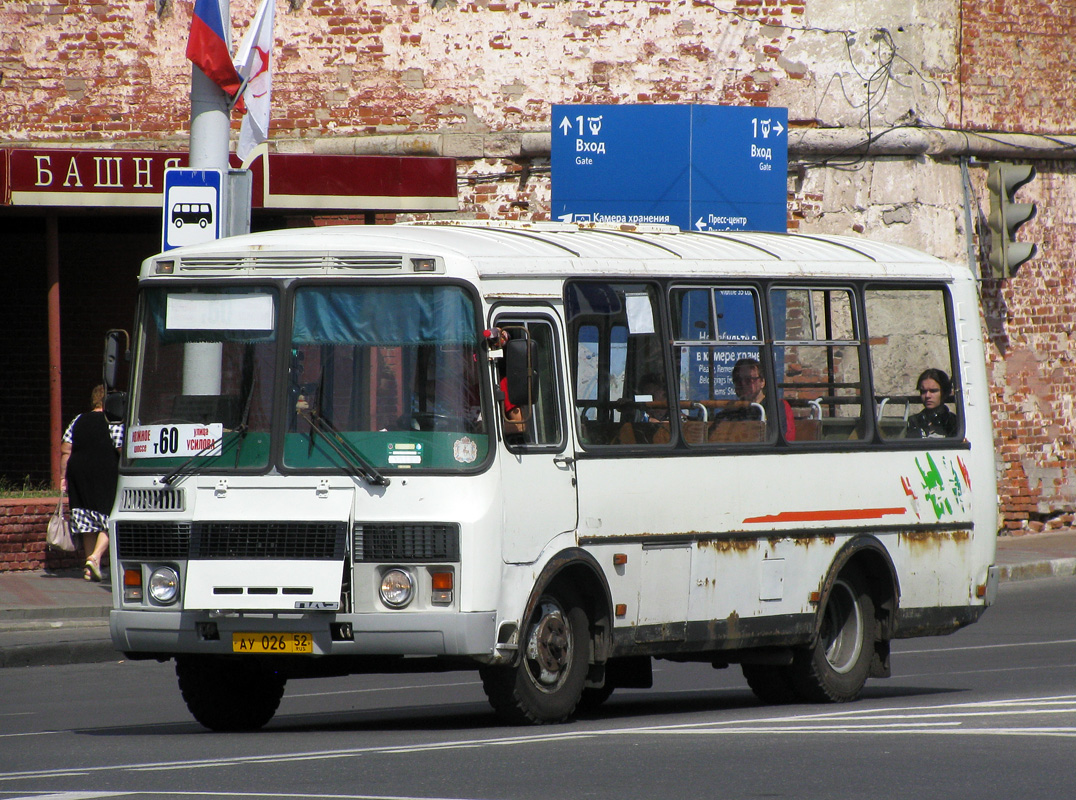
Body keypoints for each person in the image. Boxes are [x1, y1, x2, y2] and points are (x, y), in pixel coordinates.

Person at [59, 385, 123, 581]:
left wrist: (63, 477)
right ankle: (95, 558)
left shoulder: (78, 419)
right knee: (113, 516)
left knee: (86, 517)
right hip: (105, 472)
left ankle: (89, 567)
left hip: (78, 472)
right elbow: (121, 448)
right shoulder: (115, 421)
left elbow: (66, 449)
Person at [715, 357, 796, 441]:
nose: (742, 384)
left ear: (762, 382)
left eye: (748, 380)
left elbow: (780, 439)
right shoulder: (733, 410)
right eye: (738, 380)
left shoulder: (776, 407)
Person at [907, 368, 958, 438]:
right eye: (923, 391)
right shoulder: (912, 422)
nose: (927, 396)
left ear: (945, 393)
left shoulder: (955, 423)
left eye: (933, 391)